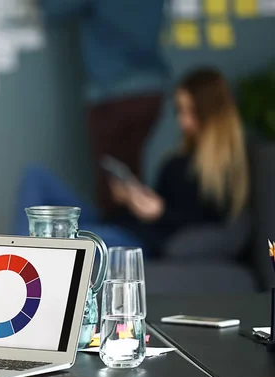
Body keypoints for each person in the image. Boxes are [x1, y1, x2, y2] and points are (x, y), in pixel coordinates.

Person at [15, 67, 249, 258]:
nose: (182, 120)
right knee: (35, 177)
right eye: (180, 111)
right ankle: (22, 257)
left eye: (190, 112)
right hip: (119, 221)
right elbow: (160, 200)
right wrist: (131, 196)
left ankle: (23, 266)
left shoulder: (222, 169)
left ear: (210, 113)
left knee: (74, 238)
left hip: (136, 239)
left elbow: (210, 217)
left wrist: (161, 212)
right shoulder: (181, 156)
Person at [40, 0, 168, 217]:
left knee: (113, 186)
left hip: (112, 95)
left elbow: (51, 8)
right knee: (131, 180)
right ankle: (132, 240)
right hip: (151, 90)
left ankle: (116, 243)